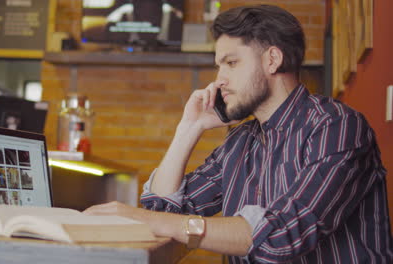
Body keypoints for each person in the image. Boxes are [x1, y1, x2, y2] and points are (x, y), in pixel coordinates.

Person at [84, 5, 393, 263]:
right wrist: (188, 129)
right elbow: (162, 213)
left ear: (272, 60)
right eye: (219, 66)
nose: (219, 81)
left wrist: (147, 219)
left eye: (231, 63)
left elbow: (282, 235)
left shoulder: (335, 127)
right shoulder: (239, 142)